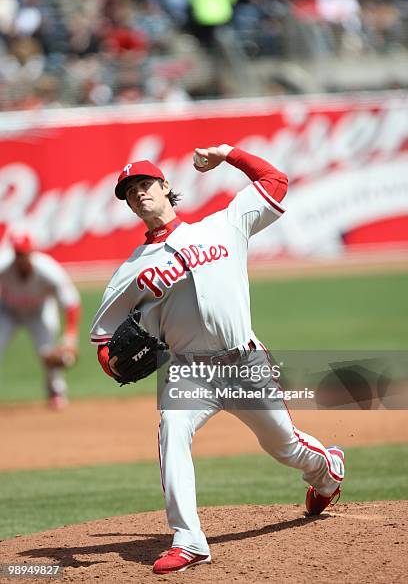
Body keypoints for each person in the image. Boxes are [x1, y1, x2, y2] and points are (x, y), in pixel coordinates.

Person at [90, 145, 345, 574]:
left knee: (284, 446)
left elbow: (275, 182)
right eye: (129, 191)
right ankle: (188, 540)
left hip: (245, 363)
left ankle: (328, 471)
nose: (138, 194)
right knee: (172, 426)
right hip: (190, 372)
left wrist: (228, 154)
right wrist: (115, 362)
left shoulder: (224, 225)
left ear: (165, 186)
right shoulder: (130, 272)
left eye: (145, 184)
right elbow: (103, 341)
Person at [0, 233, 81, 410]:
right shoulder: (3, 264)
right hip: (7, 311)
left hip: (39, 312)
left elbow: (71, 303)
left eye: (23, 253)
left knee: (49, 353)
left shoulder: (48, 270)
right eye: (17, 253)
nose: (20, 258)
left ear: (31, 252)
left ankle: (56, 392)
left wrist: (70, 339)